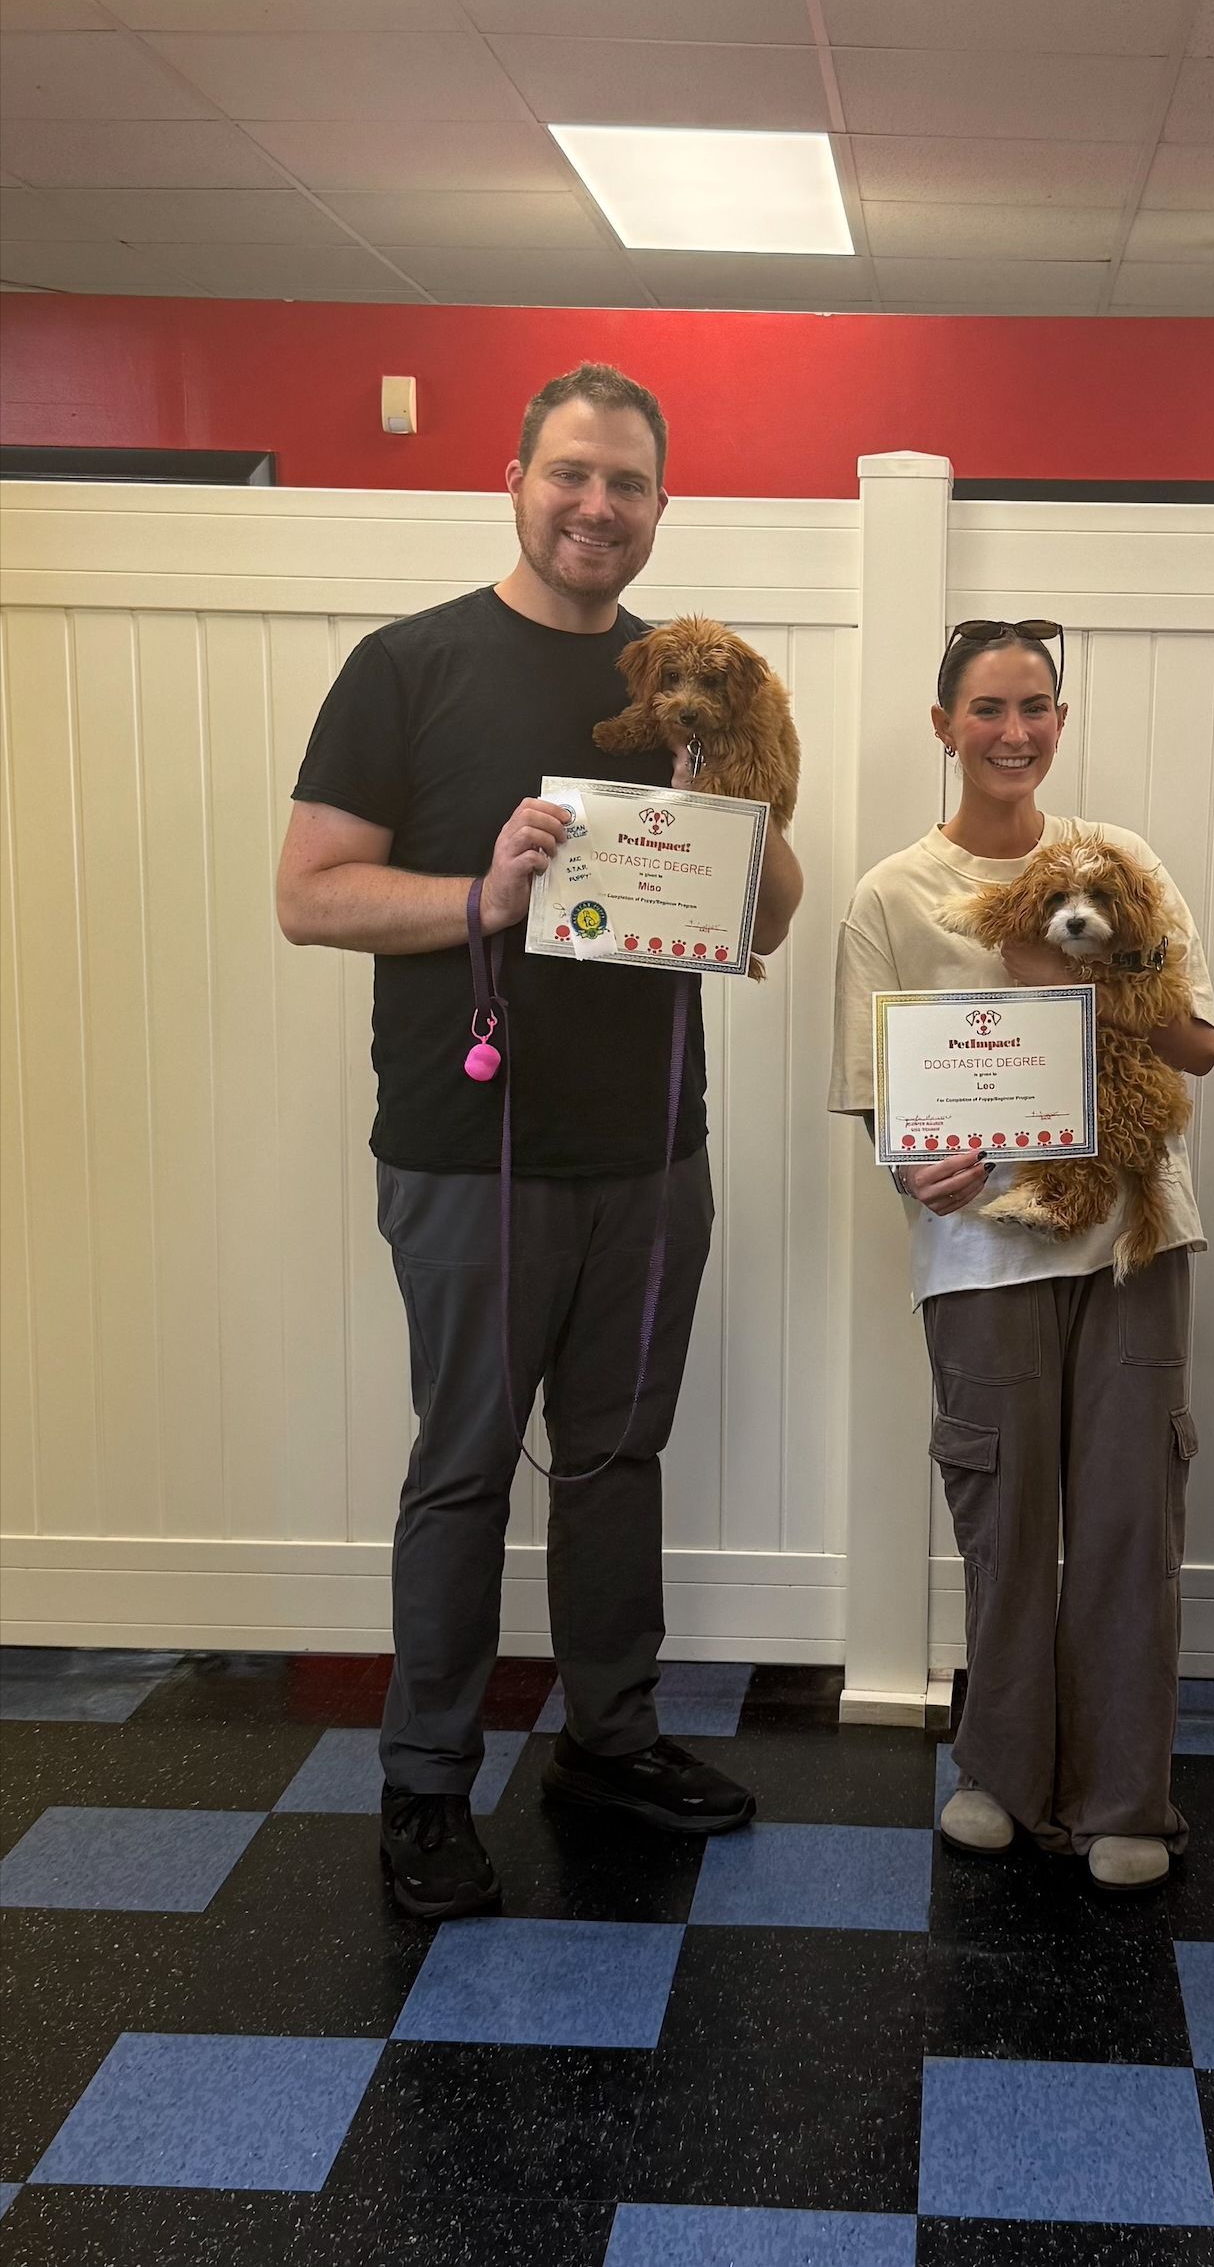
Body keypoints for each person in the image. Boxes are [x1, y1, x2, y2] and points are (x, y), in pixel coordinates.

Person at [276, 362, 804, 1919]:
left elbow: (765, 920)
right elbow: (308, 894)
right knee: (461, 1468)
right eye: (570, 474)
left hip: (650, 1147)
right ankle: (426, 1783)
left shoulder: (698, 679)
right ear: (514, 480)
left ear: (658, 505)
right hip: (465, 1146)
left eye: (626, 484)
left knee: (615, 1458)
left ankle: (609, 1737)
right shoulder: (408, 666)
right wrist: (475, 900)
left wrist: (731, 811)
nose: (596, 507)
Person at [828, 621, 1214, 1889]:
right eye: (988, 707)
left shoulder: (1121, 863)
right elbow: (880, 1103)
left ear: (1061, 719)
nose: (1015, 731)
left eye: (1037, 706)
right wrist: (914, 1164)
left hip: (1132, 1240)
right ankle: (999, 1770)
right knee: (1003, 1523)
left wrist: (1082, 972)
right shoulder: (889, 894)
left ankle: (1125, 1798)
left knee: (1124, 1523)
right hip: (977, 1253)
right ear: (942, 722)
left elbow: (1201, 1043)